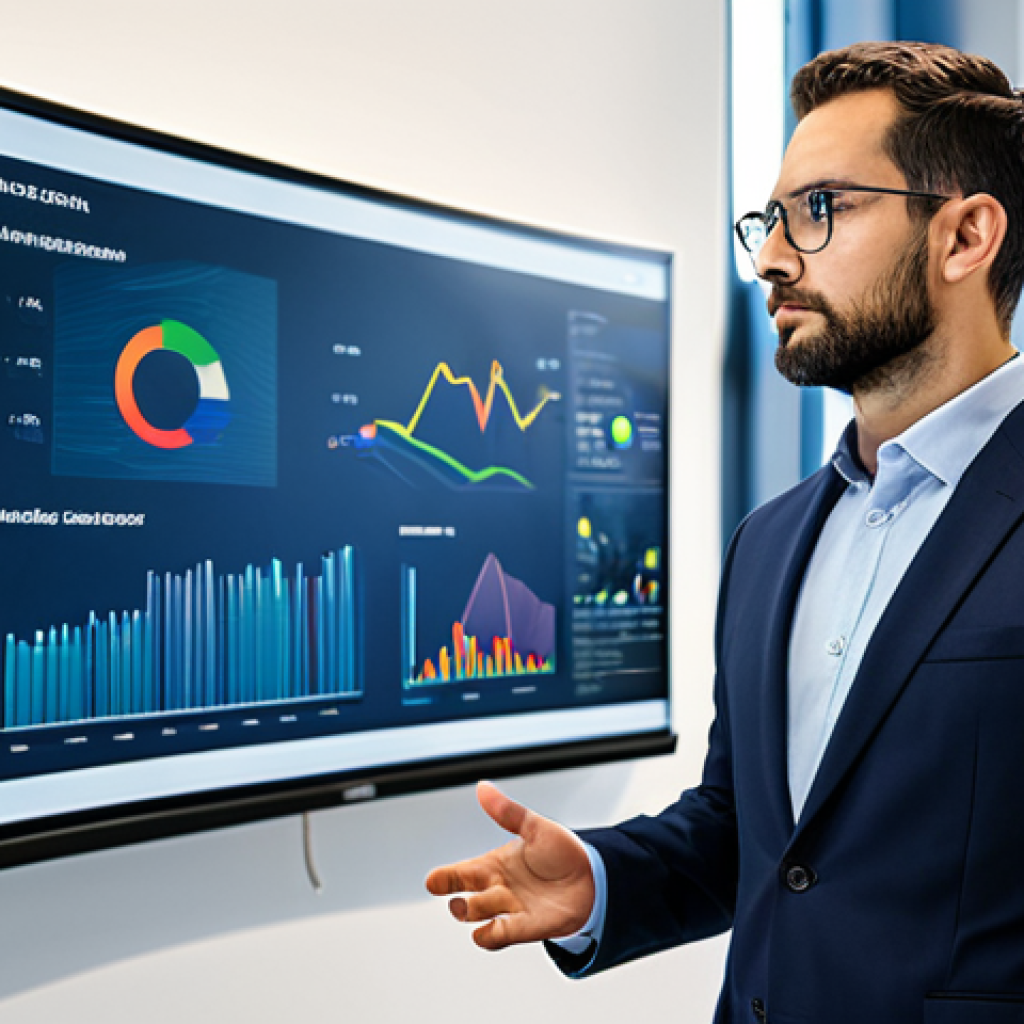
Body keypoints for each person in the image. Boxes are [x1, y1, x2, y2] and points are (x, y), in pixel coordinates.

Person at [426, 40, 1024, 1023]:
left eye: (820, 211)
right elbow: (755, 835)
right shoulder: (767, 542)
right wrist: (601, 879)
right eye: (769, 219)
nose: (770, 259)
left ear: (964, 237)